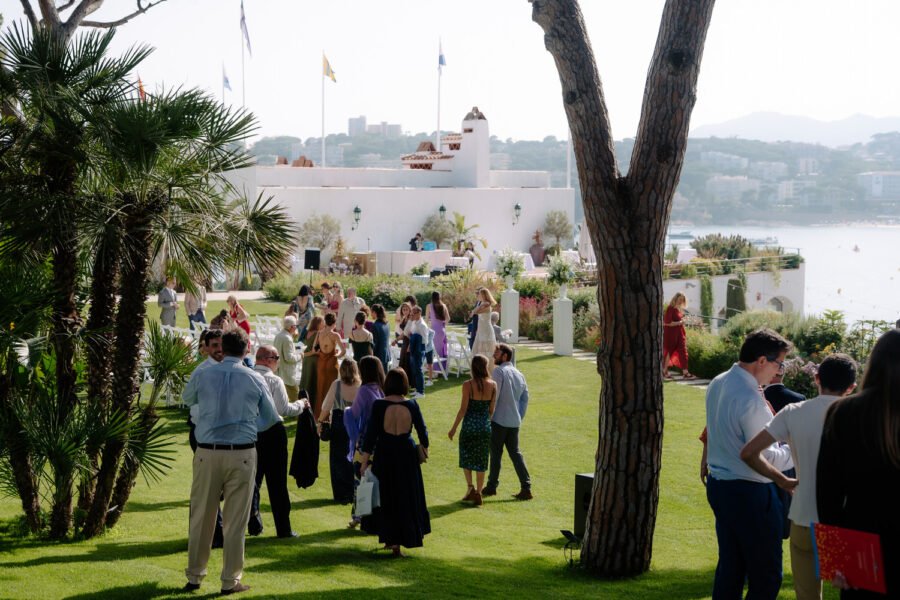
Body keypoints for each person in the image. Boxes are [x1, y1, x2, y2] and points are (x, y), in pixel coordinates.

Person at [740, 353, 858, 600]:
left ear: (816, 378)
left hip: (803, 518)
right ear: (851, 387)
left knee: (807, 596)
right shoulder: (858, 416)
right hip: (842, 522)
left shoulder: (794, 412)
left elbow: (749, 452)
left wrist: (782, 480)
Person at [181, 329, 279, 596]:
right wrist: (247, 425)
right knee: (236, 519)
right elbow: (271, 417)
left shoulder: (203, 373)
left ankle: (195, 575)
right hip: (241, 451)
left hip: (208, 450)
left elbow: (187, 399)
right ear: (246, 348)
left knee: (202, 515)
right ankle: (230, 580)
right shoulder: (254, 378)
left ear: (223, 348)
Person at [704, 328, 794, 600]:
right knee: (766, 575)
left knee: (731, 568)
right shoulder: (750, 399)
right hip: (750, 492)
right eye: (780, 364)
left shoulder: (719, 381)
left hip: (721, 486)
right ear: (762, 361)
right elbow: (764, 457)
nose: (779, 372)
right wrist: (797, 447)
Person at [817, 330, 900, 599]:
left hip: (862, 552)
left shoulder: (843, 412)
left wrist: (836, 561)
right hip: (864, 551)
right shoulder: (843, 413)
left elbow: (826, 494)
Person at [359, 369, 431, 557]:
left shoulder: (379, 405)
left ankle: (389, 538)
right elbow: (423, 434)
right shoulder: (412, 405)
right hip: (406, 453)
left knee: (386, 497)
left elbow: (370, 435)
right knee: (405, 497)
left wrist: (363, 462)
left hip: (385, 452)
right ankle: (400, 541)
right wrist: (424, 450)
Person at [250, 346, 307, 538]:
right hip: (272, 433)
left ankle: (253, 523)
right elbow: (284, 409)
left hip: (251, 434)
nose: (277, 362)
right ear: (267, 360)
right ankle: (283, 528)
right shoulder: (274, 380)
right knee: (277, 483)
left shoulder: (247, 377)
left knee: (252, 481)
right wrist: (301, 404)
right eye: (276, 358)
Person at [186, 329, 224, 549]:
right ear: (206, 348)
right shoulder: (201, 371)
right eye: (214, 345)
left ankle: (218, 532)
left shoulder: (232, 367)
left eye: (221, 345)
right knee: (206, 487)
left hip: (224, 435)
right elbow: (190, 401)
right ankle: (209, 534)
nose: (219, 349)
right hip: (204, 432)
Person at [483, 343, 531, 500]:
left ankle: (491, 487)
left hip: (499, 421)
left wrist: (488, 417)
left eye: (497, 353)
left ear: (505, 356)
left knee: (496, 454)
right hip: (514, 421)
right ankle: (526, 487)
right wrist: (519, 416)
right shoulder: (519, 374)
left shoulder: (499, 372)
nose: (493, 355)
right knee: (515, 454)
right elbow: (525, 398)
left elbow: (494, 397)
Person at [448, 354, 497, 506]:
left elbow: (462, 410)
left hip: (469, 425)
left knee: (467, 456)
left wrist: (453, 428)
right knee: (481, 460)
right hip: (484, 426)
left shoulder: (467, 385)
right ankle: (479, 492)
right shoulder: (493, 385)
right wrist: (484, 422)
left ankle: (470, 487)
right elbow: (491, 410)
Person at [345, 356, 386, 528]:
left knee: (361, 479)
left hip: (365, 440)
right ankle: (369, 515)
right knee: (374, 478)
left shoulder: (364, 391)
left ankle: (359, 515)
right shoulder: (381, 389)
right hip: (380, 440)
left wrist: (346, 411)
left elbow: (353, 414)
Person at [318, 358, 361, 504]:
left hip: (339, 422)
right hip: (354, 423)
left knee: (337, 459)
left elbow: (326, 406)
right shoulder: (360, 386)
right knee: (352, 457)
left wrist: (320, 421)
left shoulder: (336, 385)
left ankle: (341, 493)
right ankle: (352, 491)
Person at [315, 313, 346, 417]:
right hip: (331, 362)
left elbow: (315, 348)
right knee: (331, 389)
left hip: (321, 362)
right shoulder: (335, 335)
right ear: (334, 322)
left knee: (320, 387)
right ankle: (328, 415)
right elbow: (343, 351)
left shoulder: (319, 333)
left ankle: (320, 414)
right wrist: (336, 355)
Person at [663, 292, 695, 380]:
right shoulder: (670, 308)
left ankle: (685, 372)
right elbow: (667, 323)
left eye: (682, 300)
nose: (681, 301)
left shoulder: (678, 309)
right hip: (670, 333)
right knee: (669, 351)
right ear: (675, 298)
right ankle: (664, 370)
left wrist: (683, 320)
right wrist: (680, 322)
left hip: (679, 334)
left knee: (683, 351)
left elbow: (679, 320)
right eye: (680, 299)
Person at [273, 315, 303, 401]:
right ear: (291, 327)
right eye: (295, 326)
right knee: (295, 395)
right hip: (287, 372)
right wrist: (300, 356)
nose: (296, 328)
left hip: (279, 370)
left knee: (280, 396)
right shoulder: (287, 338)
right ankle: (298, 413)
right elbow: (289, 358)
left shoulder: (279, 335)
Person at [404, 306, 430, 399]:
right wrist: (410, 321)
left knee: (418, 370)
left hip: (419, 349)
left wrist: (415, 339)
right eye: (411, 314)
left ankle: (421, 392)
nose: (411, 315)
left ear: (419, 313)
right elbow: (406, 332)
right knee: (414, 370)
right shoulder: (414, 322)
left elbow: (425, 341)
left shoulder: (422, 325)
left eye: (413, 314)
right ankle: (417, 389)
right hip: (413, 347)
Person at [470, 288, 498, 372]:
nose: (478, 296)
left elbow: (475, 312)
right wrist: (479, 306)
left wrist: (479, 306)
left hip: (486, 330)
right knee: (478, 349)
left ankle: (488, 370)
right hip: (481, 330)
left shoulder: (487, 304)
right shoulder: (482, 304)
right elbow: (474, 312)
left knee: (486, 350)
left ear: (484, 295)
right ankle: (479, 370)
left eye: (480, 294)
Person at [299, 316, 323, 410]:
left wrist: (305, 354)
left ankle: (302, 400)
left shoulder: (306, 332)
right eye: (322, 322)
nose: (324, 324)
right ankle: (311, 403)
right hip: (313, 360)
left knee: (305, 379)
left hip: (306, 359)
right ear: (318, 324)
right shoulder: (317, 333)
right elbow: (316, 350)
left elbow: (300, 347)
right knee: (312, 381)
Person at [426, 291, 449, 375]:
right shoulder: (444, 306)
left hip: (433, 330)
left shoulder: (429, 306)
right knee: (440, 350)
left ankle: (436, 371)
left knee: (434, 350)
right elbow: (448, 318)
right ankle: (441, 369)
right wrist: (443, 325)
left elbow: (426, 320)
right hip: (442, 330)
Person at [370, 304, 392, 373]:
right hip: (386, 354)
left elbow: (375, 343)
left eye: (371, 312)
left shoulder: (375, 325)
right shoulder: (387, 324)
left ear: (374, 313)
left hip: (378, 355)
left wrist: (370, 354)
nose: (371, 314)